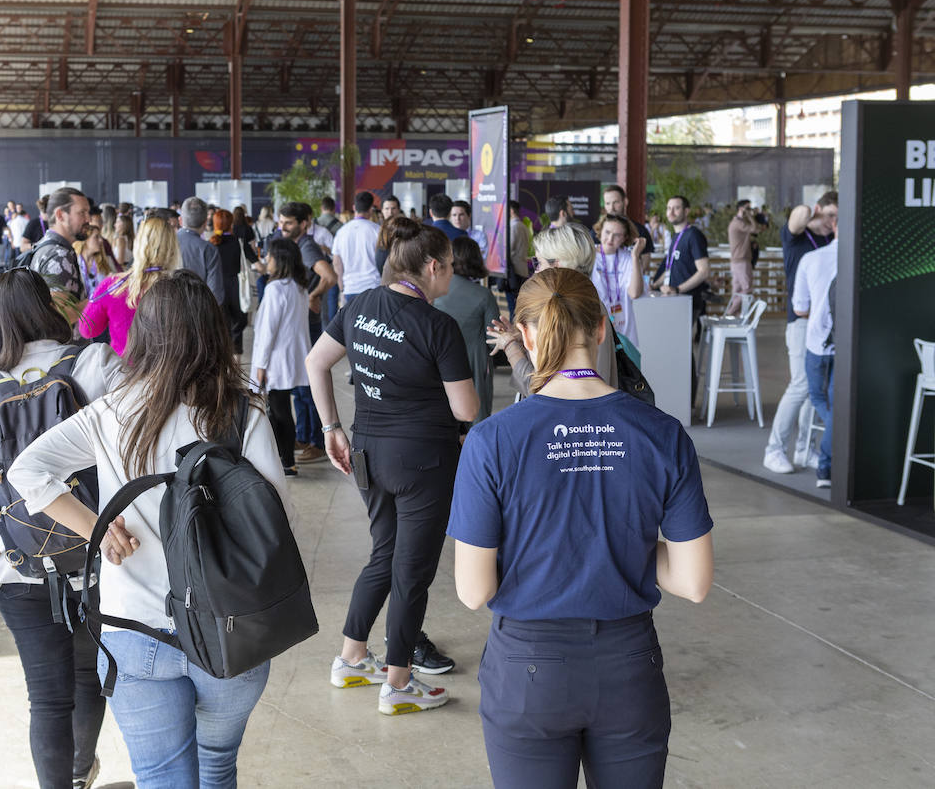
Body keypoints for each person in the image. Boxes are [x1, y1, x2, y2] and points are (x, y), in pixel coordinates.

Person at [7, 271, 290, 789]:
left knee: (160, 778)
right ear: (213, 332)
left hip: (134, 632)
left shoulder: (113, 412)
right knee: (217, 766)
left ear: (144, 336)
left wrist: (97, 528)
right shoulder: (241, 413)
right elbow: (277, 518)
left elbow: (26, 470)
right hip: (231, 630)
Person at [449, 267, 714, 788]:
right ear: (601, 329)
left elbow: (473, 590)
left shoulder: (492, 440)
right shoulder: (662, 434)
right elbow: (693, 582)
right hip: (628, 666)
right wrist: (623, 541)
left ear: (524, 334)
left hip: (527, 671)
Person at [306, 217, 478, 714]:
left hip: (368, 451)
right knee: (412, 571)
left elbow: (317, 363)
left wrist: (330, 428)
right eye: (449, 268)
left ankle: (352, 657)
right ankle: (399, 684)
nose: (452, 277)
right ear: (430, 266)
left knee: (384, 553)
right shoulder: (437, 325)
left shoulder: (358, 305)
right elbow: (466, 410)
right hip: (422, 459)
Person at [0, 269, 119, 789]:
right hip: (99, 553)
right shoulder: (93, 361)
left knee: (46, 699)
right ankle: (80, 773)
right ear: (47, 305)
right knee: (87, 679)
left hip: (18, 565)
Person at [489, 222, 620, 396]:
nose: (535, 271)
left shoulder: (565, 308)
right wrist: (526, 337)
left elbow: (542, 391)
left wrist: (510, 346)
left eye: (538, 262)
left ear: (556, 265)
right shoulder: (590, 303)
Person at [764, 191, 837, 474]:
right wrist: (813, 210)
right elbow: (797, 217)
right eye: (829, 214)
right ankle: (774, 449)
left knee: (814, 390)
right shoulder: (795, 236)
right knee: (801, 385)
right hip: (800, 322)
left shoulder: (831, 242)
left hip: (826, 325)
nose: (832, 221)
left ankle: (806, 449)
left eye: (837, 217)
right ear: (818, 210)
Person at [278, 201, 337, 465]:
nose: (283, 227)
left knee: (307, 383)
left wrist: (314, 296)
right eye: (281, 222)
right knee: (300, 384)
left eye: (288, 222)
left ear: (303, 224)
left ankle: (316, 441)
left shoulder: (307, 246)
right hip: (300, 324)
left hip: (309, 326)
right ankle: (303, 435)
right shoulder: (295, 245)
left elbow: (329, 275)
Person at [251, 238, 311, 477]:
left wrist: (261, 365)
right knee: (282, 409)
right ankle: (287, 461)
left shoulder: (276, 289)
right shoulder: (298, 286)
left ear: (280, 260)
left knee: (278, 412)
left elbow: (267, 330)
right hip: (292, 357)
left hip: (275, 359)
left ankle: (285, 462)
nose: (267, 260)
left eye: (271, 256)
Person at [78, 216, 178, 356]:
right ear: (173, 247)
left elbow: (87, 329)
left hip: (125, 370)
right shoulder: (182, 288)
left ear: (138, 244)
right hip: (168, 372)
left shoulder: (113, 285)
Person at [791, 215, 840, 490]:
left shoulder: (811, 259)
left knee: (819, 399)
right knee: (834, 401)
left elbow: (800, 308)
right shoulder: (862, 259)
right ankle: (827, 465)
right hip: (846, 345)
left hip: (817, 343)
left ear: (834, 225)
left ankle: (825, 467)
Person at [649, 195, 711, 404]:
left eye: (676, 208)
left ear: (686, 211)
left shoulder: (693, 235)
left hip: (688, 301)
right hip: (673, 303)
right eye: (669, 208)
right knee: (676, 349)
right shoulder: (675, 237)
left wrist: (678, 289)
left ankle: (687, 401)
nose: (671, 212)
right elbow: (669, 268)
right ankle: (677, 397)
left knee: (683, 351)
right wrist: (653, 284)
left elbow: (703, 271)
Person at [434, 236, 501, 422]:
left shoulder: (435, 291)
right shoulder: (483, 295)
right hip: (474, 367)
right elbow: (493, 338)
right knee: (475, 421)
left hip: (438, 366)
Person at [30, 187, 93, 324]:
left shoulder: (45, 246)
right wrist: (96, 300)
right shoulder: (59, 256)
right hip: (65, 344)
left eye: (88, 213)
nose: (89, 219)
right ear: (60, 215)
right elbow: (58, 315)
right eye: (82, 213)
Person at [592, 214, 647, 349]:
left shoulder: (628, 258)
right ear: (600, 230)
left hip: (625, 330)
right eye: (607, 232)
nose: (610, 239)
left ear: (625, 238)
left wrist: (635, 256)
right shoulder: (589, 256)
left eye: (617, 235)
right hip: (598, 330)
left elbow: (634, 293)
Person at [332, 190, 381, 306]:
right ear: (371, 209)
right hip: (373, 287)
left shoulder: (341, 232)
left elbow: (337, 263)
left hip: (350, 288)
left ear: (354, 208)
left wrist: (342, 288)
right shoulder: (377, 231)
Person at [209, 209, 248, 352]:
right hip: (235, 285)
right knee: (239, 320)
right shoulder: (238, 242)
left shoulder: (212, 243)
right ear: (231, 223)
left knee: (221, 323)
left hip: (217, 286)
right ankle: (236, 357)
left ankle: (223, 356)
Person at [176, 197, 226, 304]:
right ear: (205, 222)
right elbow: (216, 295)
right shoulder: (209, 250)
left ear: (180, 220)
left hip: (167, 314)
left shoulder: (165, 244)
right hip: (199, 312)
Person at [602, 184, 653, 274]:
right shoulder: (597, 232)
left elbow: (645, 262)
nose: (611, 208)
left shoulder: (640, 230)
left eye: (616, 202)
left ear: (625, 202)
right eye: (607, 203)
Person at [725, 199, 760, 316]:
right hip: (741, 261)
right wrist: (750, 217)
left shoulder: (736, 223)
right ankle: (730, 313)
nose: (750, 211)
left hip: (737, 261)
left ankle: (734, 317)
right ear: (741, 209)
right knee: (747, 289)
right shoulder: (738, 223)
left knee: (737, 290)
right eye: (748, 208)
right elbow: (755, 229)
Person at [505, 199, 532, 317]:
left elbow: (509, 250)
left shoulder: (513, 227)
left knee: (513, 307)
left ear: (511, 211)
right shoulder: (523, 226)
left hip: (513, 272)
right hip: (523, 269)